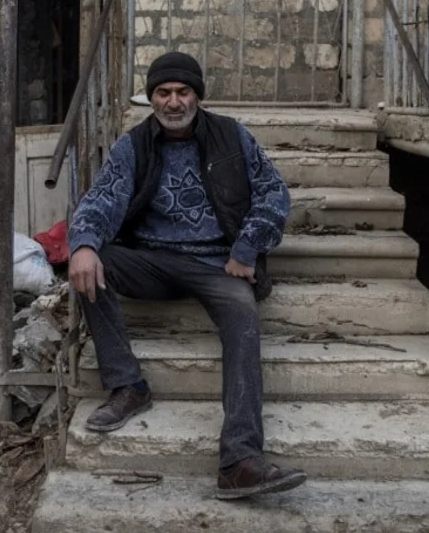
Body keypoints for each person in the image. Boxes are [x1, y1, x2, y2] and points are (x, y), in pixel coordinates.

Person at [67, 51, 305, 500]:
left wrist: (247, 246)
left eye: (182, 92)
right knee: (89, 265)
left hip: (219, 263)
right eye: (163, 92)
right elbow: (101, 200)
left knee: (242, 317)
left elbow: (274, 194)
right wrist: (82, 243)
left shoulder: (232, 136)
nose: (173, 102)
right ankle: (127, 385)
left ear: (197, 95)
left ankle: (239, 460)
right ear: (151, 98)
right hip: (153, 261)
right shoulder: (132, 145)